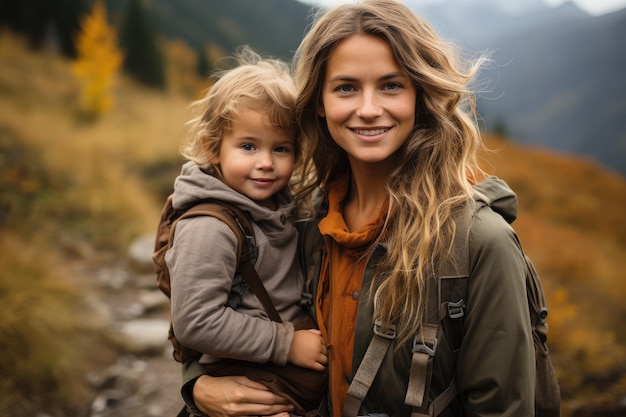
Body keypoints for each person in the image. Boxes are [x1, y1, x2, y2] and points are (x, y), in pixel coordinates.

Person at [184, 1, 535, 416]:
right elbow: (223, 308)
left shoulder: (478, 242)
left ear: (420, 95)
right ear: (319, 101)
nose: (368, 109)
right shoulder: (303, 220)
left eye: (391, 85)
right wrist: (199, 383)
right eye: (346, 87)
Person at [166, 47, 327, 416]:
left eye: (281, 148)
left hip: (273, 364)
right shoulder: (209, 227)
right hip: (243, 370)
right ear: (212, 148)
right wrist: (285, 344)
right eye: (248, 146)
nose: (266, 163)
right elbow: (195, 322)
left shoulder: (281, 205)